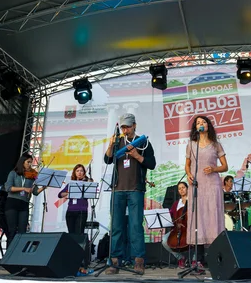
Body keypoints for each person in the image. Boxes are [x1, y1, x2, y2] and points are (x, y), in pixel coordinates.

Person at [103, 113, 156, 275]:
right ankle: (115, 262)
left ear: (134, 125)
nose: (125, 129)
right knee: (116, 227)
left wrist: (137, 156)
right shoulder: (118, 141)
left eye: (128, 126)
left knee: (135, 226)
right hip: (117, 189)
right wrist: (111, 145)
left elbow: (152, 164)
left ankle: (138, 261)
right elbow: (107, 160)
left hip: (135, 190)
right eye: (123, 127)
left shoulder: (143, 142)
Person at [185, 115, 228, 271]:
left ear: (208, 125)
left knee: (213, 217)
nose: (201, 124)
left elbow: (225, 166)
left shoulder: (216, 145)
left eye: (203, 122)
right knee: (199, 218)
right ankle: (199, 259)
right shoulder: (191, 145)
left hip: (212, 184)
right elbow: (187, 165)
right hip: (197, 184)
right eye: (198, 123)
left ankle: (216, 257)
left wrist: (214, 168)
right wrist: (189, 174)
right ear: (195, 127)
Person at [4, 153, 45, 245]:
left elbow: (35, 192)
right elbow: (8, 188)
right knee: (12, 230)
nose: (30, 164)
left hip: (24, 204)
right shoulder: (13, 173)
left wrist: (44, 187)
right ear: (22, 162)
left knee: (22, 231)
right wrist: (23, 188)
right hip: (12, 203)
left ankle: (19, 255)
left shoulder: (31, 176)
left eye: (31, 162)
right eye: (28, 162)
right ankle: (9, 255)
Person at [58, 164, 92, 234]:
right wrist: (69, 192)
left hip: (82, 212)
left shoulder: (86, 183)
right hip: (70, 212)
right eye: (77, 171)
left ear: (84, 173)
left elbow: (90, 193)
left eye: (81, 171)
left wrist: (89, 182)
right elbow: (60, 195)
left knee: (79, 234)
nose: (79, 173)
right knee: (71, 234)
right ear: (75, 173)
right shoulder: (71, 184)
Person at [161, 181, 189, 268]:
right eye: (179, 189)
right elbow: (170, 215)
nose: (181, 190)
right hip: (177, 229)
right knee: (165, 240)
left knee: (198, 239)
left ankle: (196, 260)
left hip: (190, 229)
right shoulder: (176, 203)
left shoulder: (193, 201)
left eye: (183, 187)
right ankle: (181, 258)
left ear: (188, 188)